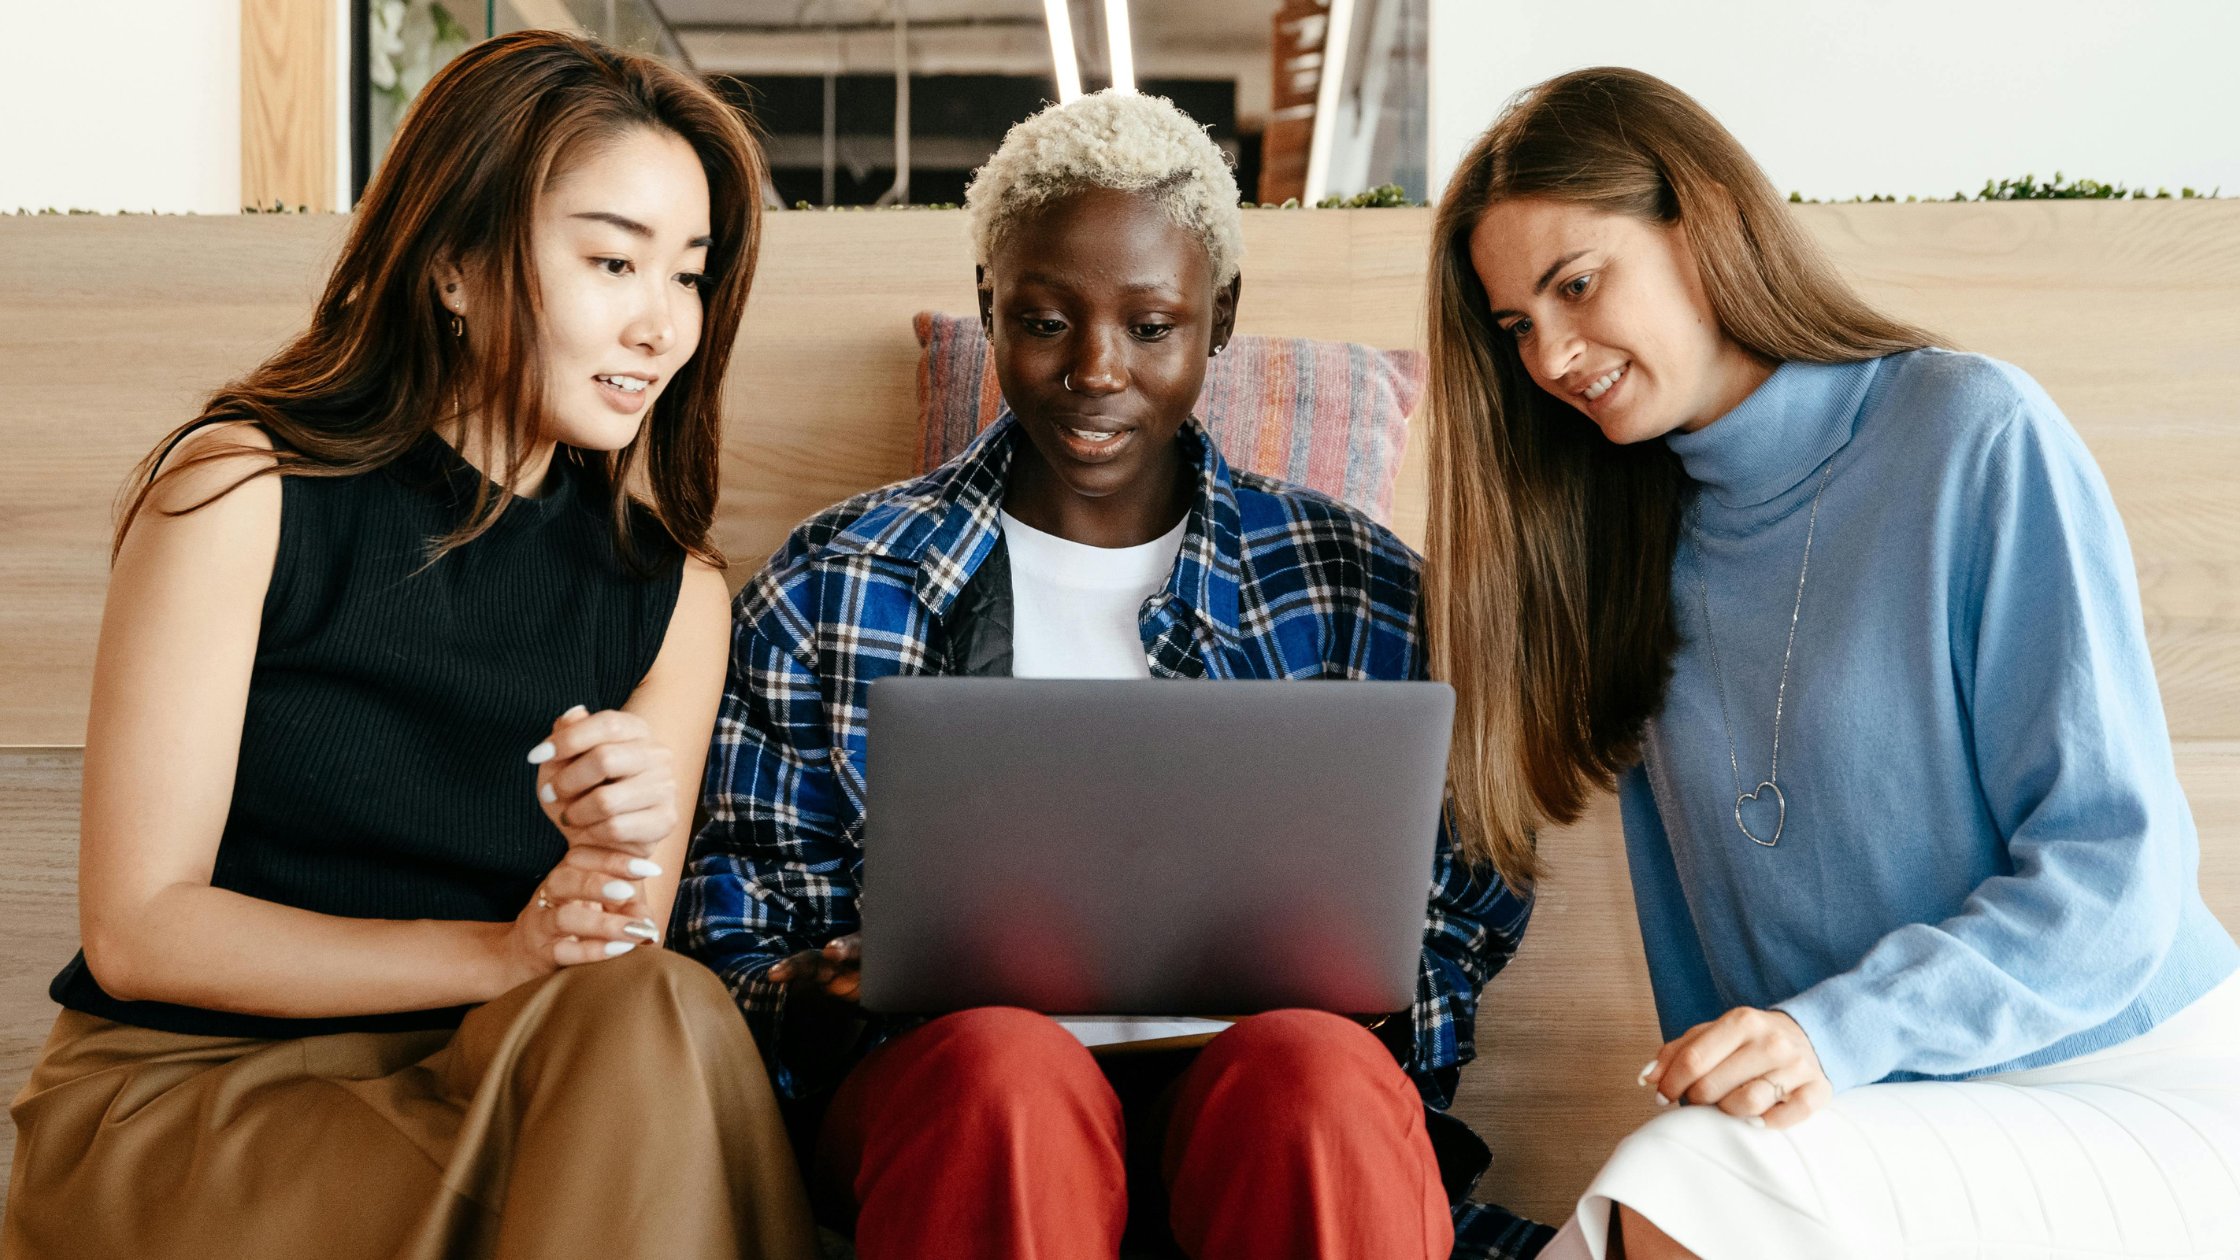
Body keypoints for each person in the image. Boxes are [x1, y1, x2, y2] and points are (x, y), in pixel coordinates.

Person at [678, 89, 1549, 1260]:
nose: (1096, 370)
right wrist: (809, 984)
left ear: (1218, 317)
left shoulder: (1361, 585)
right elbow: (731, 912)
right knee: (1005, 1070)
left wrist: (1379, 986)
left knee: (1316, 1075)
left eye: (1150, 327)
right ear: (990, 303)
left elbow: (1471, 886)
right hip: (956, 1099)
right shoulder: (836, 578)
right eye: (1043, 321)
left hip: (1267, 1097)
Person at [2, 30, 815, 1260]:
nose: (663, 326)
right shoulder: (243, 491)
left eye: (689, 275)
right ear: (452, 263)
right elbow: (141, 927)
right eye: (612, 261)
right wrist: (502, 950)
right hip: (194, 1095)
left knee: (655, 1002)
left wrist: (609, 851)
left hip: (500, 1084)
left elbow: (604, 957)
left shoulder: (675, 590)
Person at [1421, 66, 2240, 1260]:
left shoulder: (1969, 432)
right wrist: (1762, 1083)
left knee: (1679, 1184)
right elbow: (1707, 959)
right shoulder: (1628, 552)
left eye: (1576, 285)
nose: (1548, 356)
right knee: (1683, 1183)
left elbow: (2113, 877)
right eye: (1515, 326)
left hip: (2127, 1076)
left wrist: (1832, 1039)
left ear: (1696, 220)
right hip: (1883, 1112)